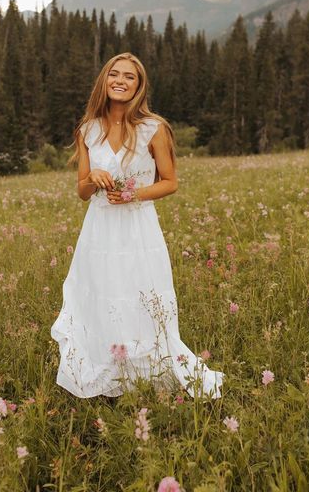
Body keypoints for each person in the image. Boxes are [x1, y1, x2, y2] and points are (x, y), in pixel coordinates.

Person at [50, 52, 224, 399]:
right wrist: (93, 177)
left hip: (138, 228)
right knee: (101, 296)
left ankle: (147, 371)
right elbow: (83, 191)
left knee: (140, 294)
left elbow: (171, 181)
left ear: (139, 86)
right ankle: (108, 369)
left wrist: (135, 195)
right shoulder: (88, 129)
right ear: (104, 80)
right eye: (114, 74)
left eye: (129, 77)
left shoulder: (153, 128)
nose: (120, 81)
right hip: (98, 230)